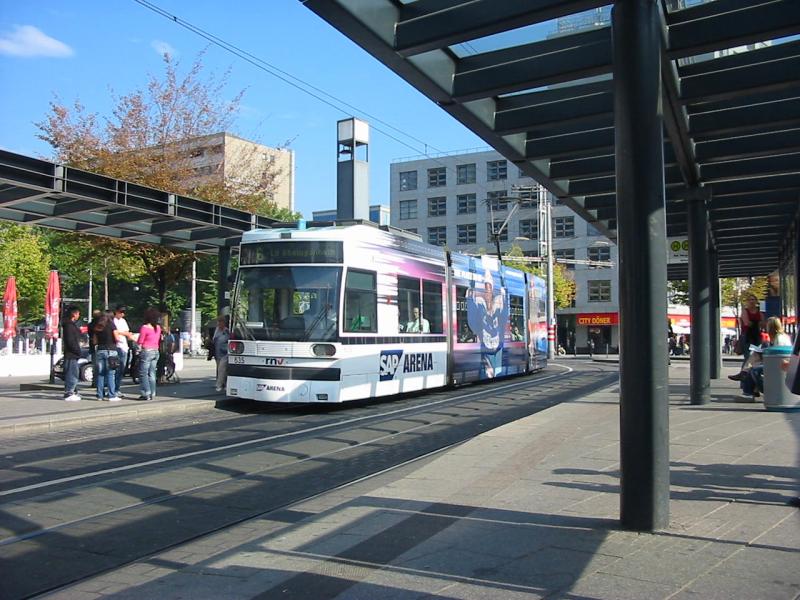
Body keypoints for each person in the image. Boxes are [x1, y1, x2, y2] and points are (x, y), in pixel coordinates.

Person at [92, 313, 121, 401]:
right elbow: (117, 338)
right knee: (110, 374)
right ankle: (111, 395)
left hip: (100, 351)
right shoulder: (112, 325)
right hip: (111, 351)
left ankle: (100, 395)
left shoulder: (98, 326)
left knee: (100, 374)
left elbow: (94, 341)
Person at [136, 307, 161, 401]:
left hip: (147, 351)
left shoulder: (145, 327)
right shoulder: (158, 328)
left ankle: (146, 393)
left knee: (143, 373)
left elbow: (140, 341)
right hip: (155, 351)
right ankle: (153, 392)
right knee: (152, 373)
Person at [112, 305, 135, 395]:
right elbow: (116, 332)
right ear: (116, 312)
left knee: (121, 369)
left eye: (123, 312)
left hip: (124, 346)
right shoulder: (113, 320)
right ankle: (114, 389)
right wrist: (124, 333)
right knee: (116, 369)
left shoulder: (123, 321)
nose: (122, 314)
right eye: (121, 312)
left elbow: (126, 332)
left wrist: (125, 333)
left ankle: (117, 388)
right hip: (117, 346)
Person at [62, 305, 82, 402]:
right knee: (72, 373)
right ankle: (69, 392)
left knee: (73, 372)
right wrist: (77, 351)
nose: (79, 315)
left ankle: (72, 391)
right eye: (78, 313)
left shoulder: (70, 325)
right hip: (71, 354)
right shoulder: (69, 326)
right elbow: (71, 341)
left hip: (71, 353)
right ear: (74, 314)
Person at [739, 294, 763, 364]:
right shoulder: (745, 311)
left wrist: (756, 323)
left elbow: (763, 323)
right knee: (748, 355)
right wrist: (757, 323)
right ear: (747, 302)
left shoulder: (759, 312)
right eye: (750, 300)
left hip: (756, 336)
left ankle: (749, 372)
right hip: (747, 336)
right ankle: (744, 373)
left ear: (756, 301)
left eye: (753, 299)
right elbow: (747, 323)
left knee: (756, 355)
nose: (752, 301)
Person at [212, 315, 230, 392]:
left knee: (221, 369)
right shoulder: (217, 330)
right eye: (218, 322)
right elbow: (214, 340)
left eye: (220, 322)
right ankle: (225, 384)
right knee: (222, 369)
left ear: (224, 323)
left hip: (225, 353)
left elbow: (229, 340)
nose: (219, 324)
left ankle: (219, 385)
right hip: (218, 353)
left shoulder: (226, 331)